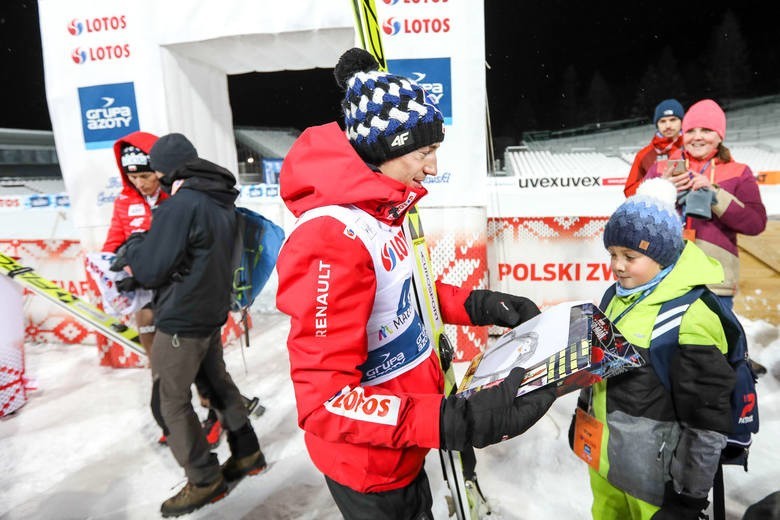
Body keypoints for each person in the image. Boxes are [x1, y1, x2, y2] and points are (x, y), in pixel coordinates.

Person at [275, 47, 557, 520]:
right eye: (424, 152)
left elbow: (408, 294)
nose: (432, 167)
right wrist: (456, 422)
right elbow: (326, 403)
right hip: (370, 463)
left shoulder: (380, 210)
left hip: (407, 437)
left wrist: (482, 305)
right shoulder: (330, 237)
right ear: (385, 150)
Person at [113, 133, 266, 517]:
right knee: (217, 384)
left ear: (166, 167)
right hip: (211, 311)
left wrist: (133, 251)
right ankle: (248, 452)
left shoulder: (181, 204)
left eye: (156, 169)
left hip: (183, 318)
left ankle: (203, 479)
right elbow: (192, 254)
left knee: (171, 401)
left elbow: (151, 268)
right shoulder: (217, 197)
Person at [571, 177, 736, 520]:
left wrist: (686, 499)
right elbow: (601, 367)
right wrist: (581, 415)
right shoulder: (615, 297)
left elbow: (706, 422)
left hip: (656, 485)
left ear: (662, 256)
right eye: (613, 254)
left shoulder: (691, 316)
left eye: (630, 256)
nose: (617, 265)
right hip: (606, 466)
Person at [102, 131, 224, 449]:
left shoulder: (180, 196)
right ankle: (177, 420)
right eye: (133, 177)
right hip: (145, 295)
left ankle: (214, 416)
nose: (141, 183)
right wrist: (116, 265)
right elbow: (112, 246)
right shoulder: (124, 202)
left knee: (198, 365)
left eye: (145, 174)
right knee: (161, 364)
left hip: (179, 294)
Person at [645, 98, 768, 309]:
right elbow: (636, 217)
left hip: (715, 282)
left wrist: (715, 195)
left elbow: (755, 223)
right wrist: (662, 188)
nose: (698, 137)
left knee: (712, 341)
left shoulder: (739, 172)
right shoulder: (661, 169)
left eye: (707, 130)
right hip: (665, 276)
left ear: (720, 136)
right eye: (691, 130)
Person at [623, 99, 685, 197]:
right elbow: (629, 192)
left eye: (673, 120)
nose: (668, 125)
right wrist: (656, 182)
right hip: (658, 209)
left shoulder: (693, 149)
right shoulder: (644, 154)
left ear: (682, 122)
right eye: (662, 121)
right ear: (657, 125)